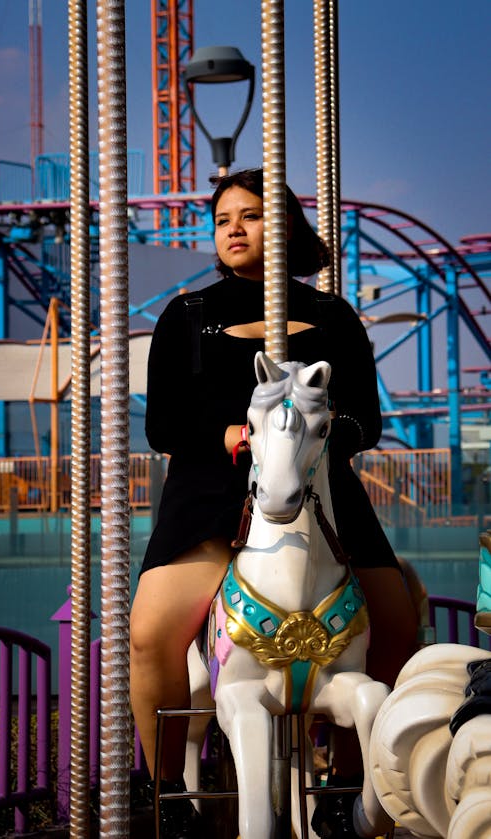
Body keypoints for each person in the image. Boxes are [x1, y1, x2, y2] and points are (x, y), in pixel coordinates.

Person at [129, 167, 419, 838]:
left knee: (397, 622)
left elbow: (365, 421)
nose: (234, 226)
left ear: (283, 226)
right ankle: (167, 790)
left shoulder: (331, 317)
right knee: (149, 634)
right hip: (212, 495)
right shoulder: (187, 316)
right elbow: (163, 424)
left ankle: (344, 789)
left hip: (319, 496)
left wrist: (321, 438)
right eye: (225, 217)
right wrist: (230, 432)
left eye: (252, 214)